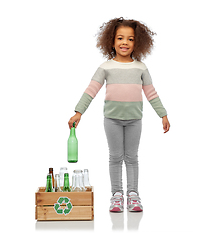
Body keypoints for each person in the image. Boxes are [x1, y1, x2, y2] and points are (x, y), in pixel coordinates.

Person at [68, 17, 170, 212]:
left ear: (137, 42)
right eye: (120, 38)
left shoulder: (141, 68)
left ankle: (133, 195)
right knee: (115, 157)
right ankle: (116, 195)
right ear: (112, 41)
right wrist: (78, 112)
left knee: (132, 157)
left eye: (130, 39)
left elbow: (151, 93)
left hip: (134, 120)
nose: (125, 43)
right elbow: (91, 90)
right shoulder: (105, 67)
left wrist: (162, 114)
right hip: (112, 120)